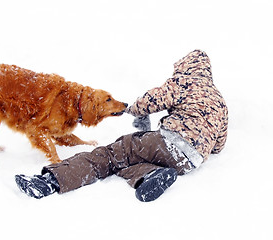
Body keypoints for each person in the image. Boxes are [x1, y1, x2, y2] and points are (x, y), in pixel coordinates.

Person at [15, 50, 228, 202]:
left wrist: (134, 110)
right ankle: (148, 175)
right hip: (191, 161)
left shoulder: (184, 82)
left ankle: (49, 182)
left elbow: (151, 100)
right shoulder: (220, 100)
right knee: (127, 162)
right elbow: (219, 146)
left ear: (186, 67)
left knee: (111, 155)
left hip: (168, 143)